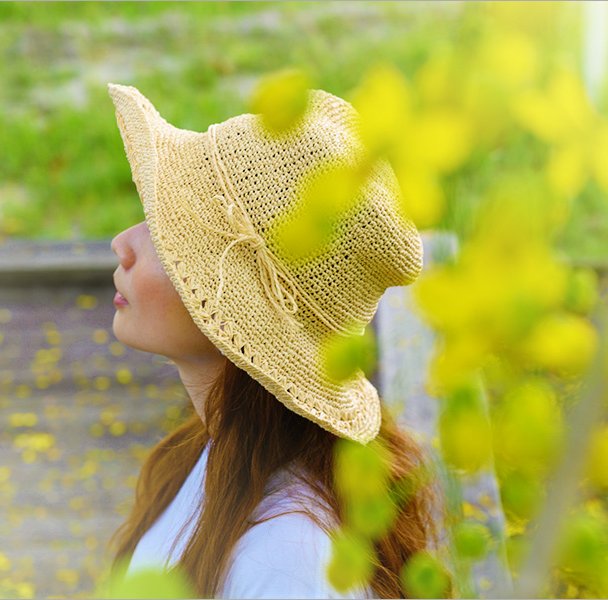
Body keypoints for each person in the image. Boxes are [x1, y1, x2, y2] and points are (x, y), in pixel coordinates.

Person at [104, 82, 449, 599]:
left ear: (238, 301)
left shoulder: (289, 563)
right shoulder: (222, 451)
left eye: (168, 230)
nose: (123, 244)